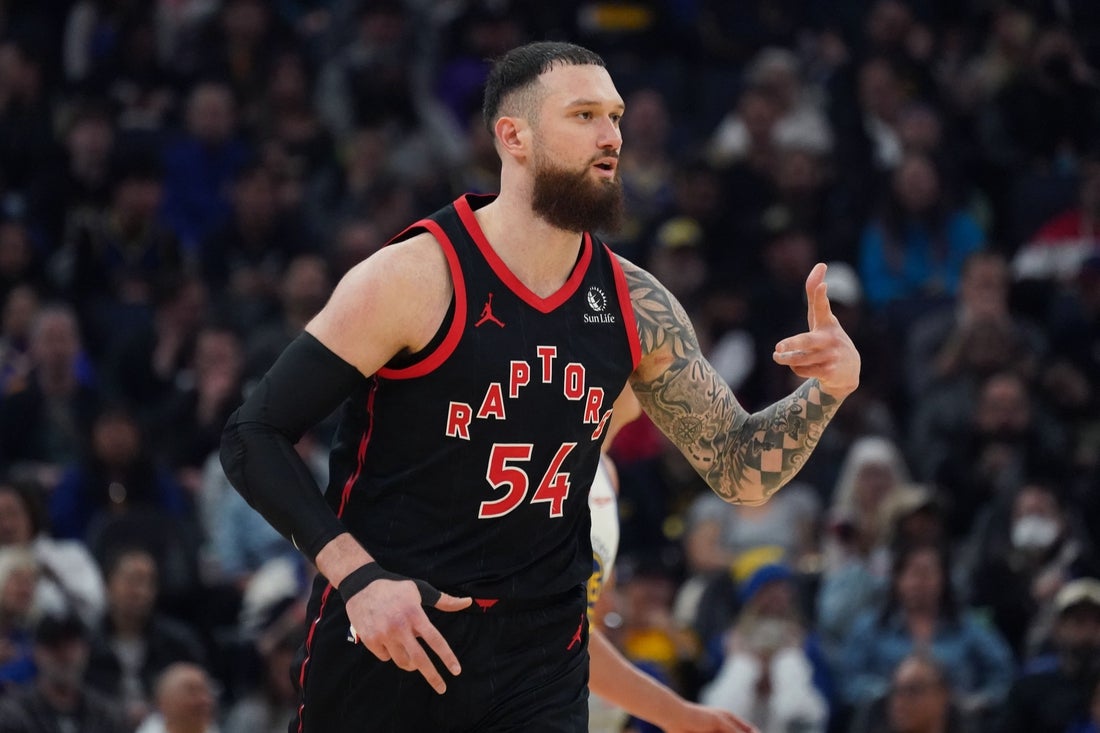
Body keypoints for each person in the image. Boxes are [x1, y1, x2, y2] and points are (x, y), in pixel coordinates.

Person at [220, 40, 860, 732]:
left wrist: (828, 389)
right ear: (514, 136)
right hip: (398, 628)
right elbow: (253, 434)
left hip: (540, 653)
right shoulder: (413, 277)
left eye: (614, 116)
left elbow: (740, 468)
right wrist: (358, 576)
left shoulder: (637, 304)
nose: (611, 136)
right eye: (584, 115)